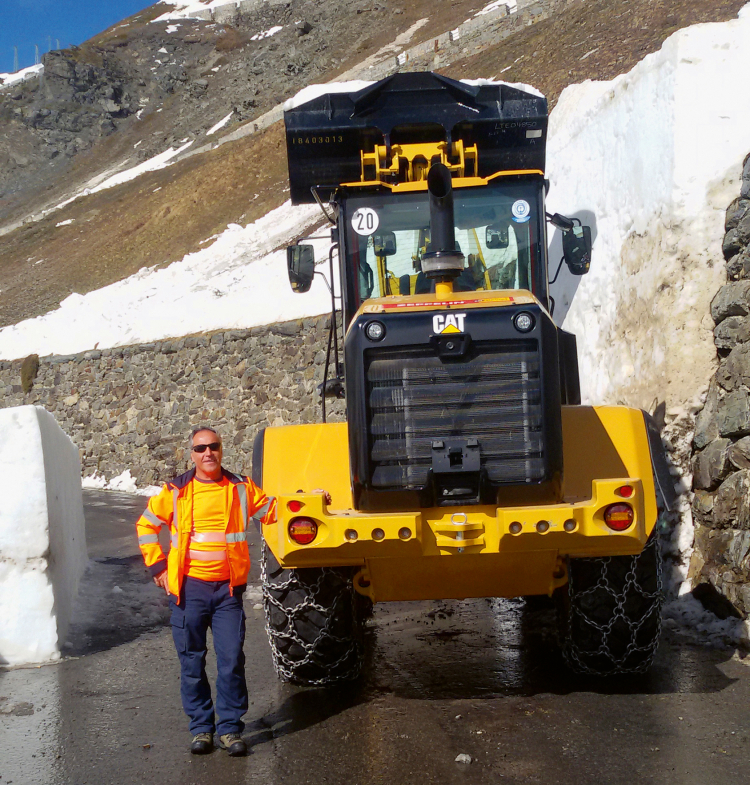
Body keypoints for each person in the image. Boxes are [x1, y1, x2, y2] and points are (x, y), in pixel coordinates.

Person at [135, 426, 276, 756]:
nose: (207, 453)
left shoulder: (240, 487)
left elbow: (271, 510)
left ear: (221, 449)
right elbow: (146, 526)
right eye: (201, 448)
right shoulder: (176, 491)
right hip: (189, 591)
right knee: (192, 663)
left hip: (228, 592)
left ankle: (229, 729)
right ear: (192, 454)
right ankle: (201, 728)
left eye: (213, 446)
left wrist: (310, 500)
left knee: (230, 661)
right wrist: (158, 568)